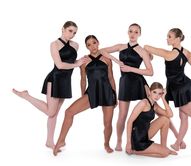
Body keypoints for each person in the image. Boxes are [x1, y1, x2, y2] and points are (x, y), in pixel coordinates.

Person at [12, 21, 86, 149]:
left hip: (65, 81)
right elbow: (60, 65)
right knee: (51, 112)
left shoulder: (76, 45)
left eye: (74, 32)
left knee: (55, 114)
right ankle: (26, 96)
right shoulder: (54, 44)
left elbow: (70, 61)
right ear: (62, 29)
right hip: (55, 79)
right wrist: (76, 64)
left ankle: (49, 141)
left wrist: (78, 61)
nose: (72, 34)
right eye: (70, 31)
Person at [144, 28, 191, 152]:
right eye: (167, 36)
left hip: (180, 89)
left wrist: (149, 54)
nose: (167, 39)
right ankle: (178, 143)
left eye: (170, 37)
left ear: (178, 39)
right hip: (185, 86)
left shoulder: (168, 54)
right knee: (183, 117)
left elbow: (146, 46)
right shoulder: (187, 52)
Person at [53, 35, 117, 156]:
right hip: (92, 92)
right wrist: (83, 95)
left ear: (98, 43)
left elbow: (111, 78)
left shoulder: (106, 59)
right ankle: (61, 141)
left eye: (94, 43)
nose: (92, 46)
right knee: (68, 112)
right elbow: (83, 80)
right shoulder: (84, 61)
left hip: (107, 92)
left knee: (108, 123)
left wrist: (115, 95)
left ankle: (106, 144)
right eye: (89, 44)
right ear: (86, 47)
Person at [100, 23, 153, 151]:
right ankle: (119, 141)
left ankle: (144, 138)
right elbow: (102, 50)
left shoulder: (142, 51)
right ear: (127, 32)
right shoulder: (120, 46)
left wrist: (130, 68)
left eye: (136, 32)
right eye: (131, 31)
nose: (133, 34)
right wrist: (117, 61)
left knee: (151, 110)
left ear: (139, 34)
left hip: (139, 82)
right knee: (122, 115)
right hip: (125, 82)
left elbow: (150, 72)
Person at [126, 82, 177, 157]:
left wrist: (163, 99)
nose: (157, 96)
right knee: (164, 154)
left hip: (145, 134)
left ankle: (164, 147)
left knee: (165, 119)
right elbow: (129, 122)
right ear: (150, 91)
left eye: (160, 94)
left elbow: (170, 115)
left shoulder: (154, 105)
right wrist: (128, 143)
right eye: (154, 92)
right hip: (137, 138)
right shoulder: (143, 103)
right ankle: (135, 151)